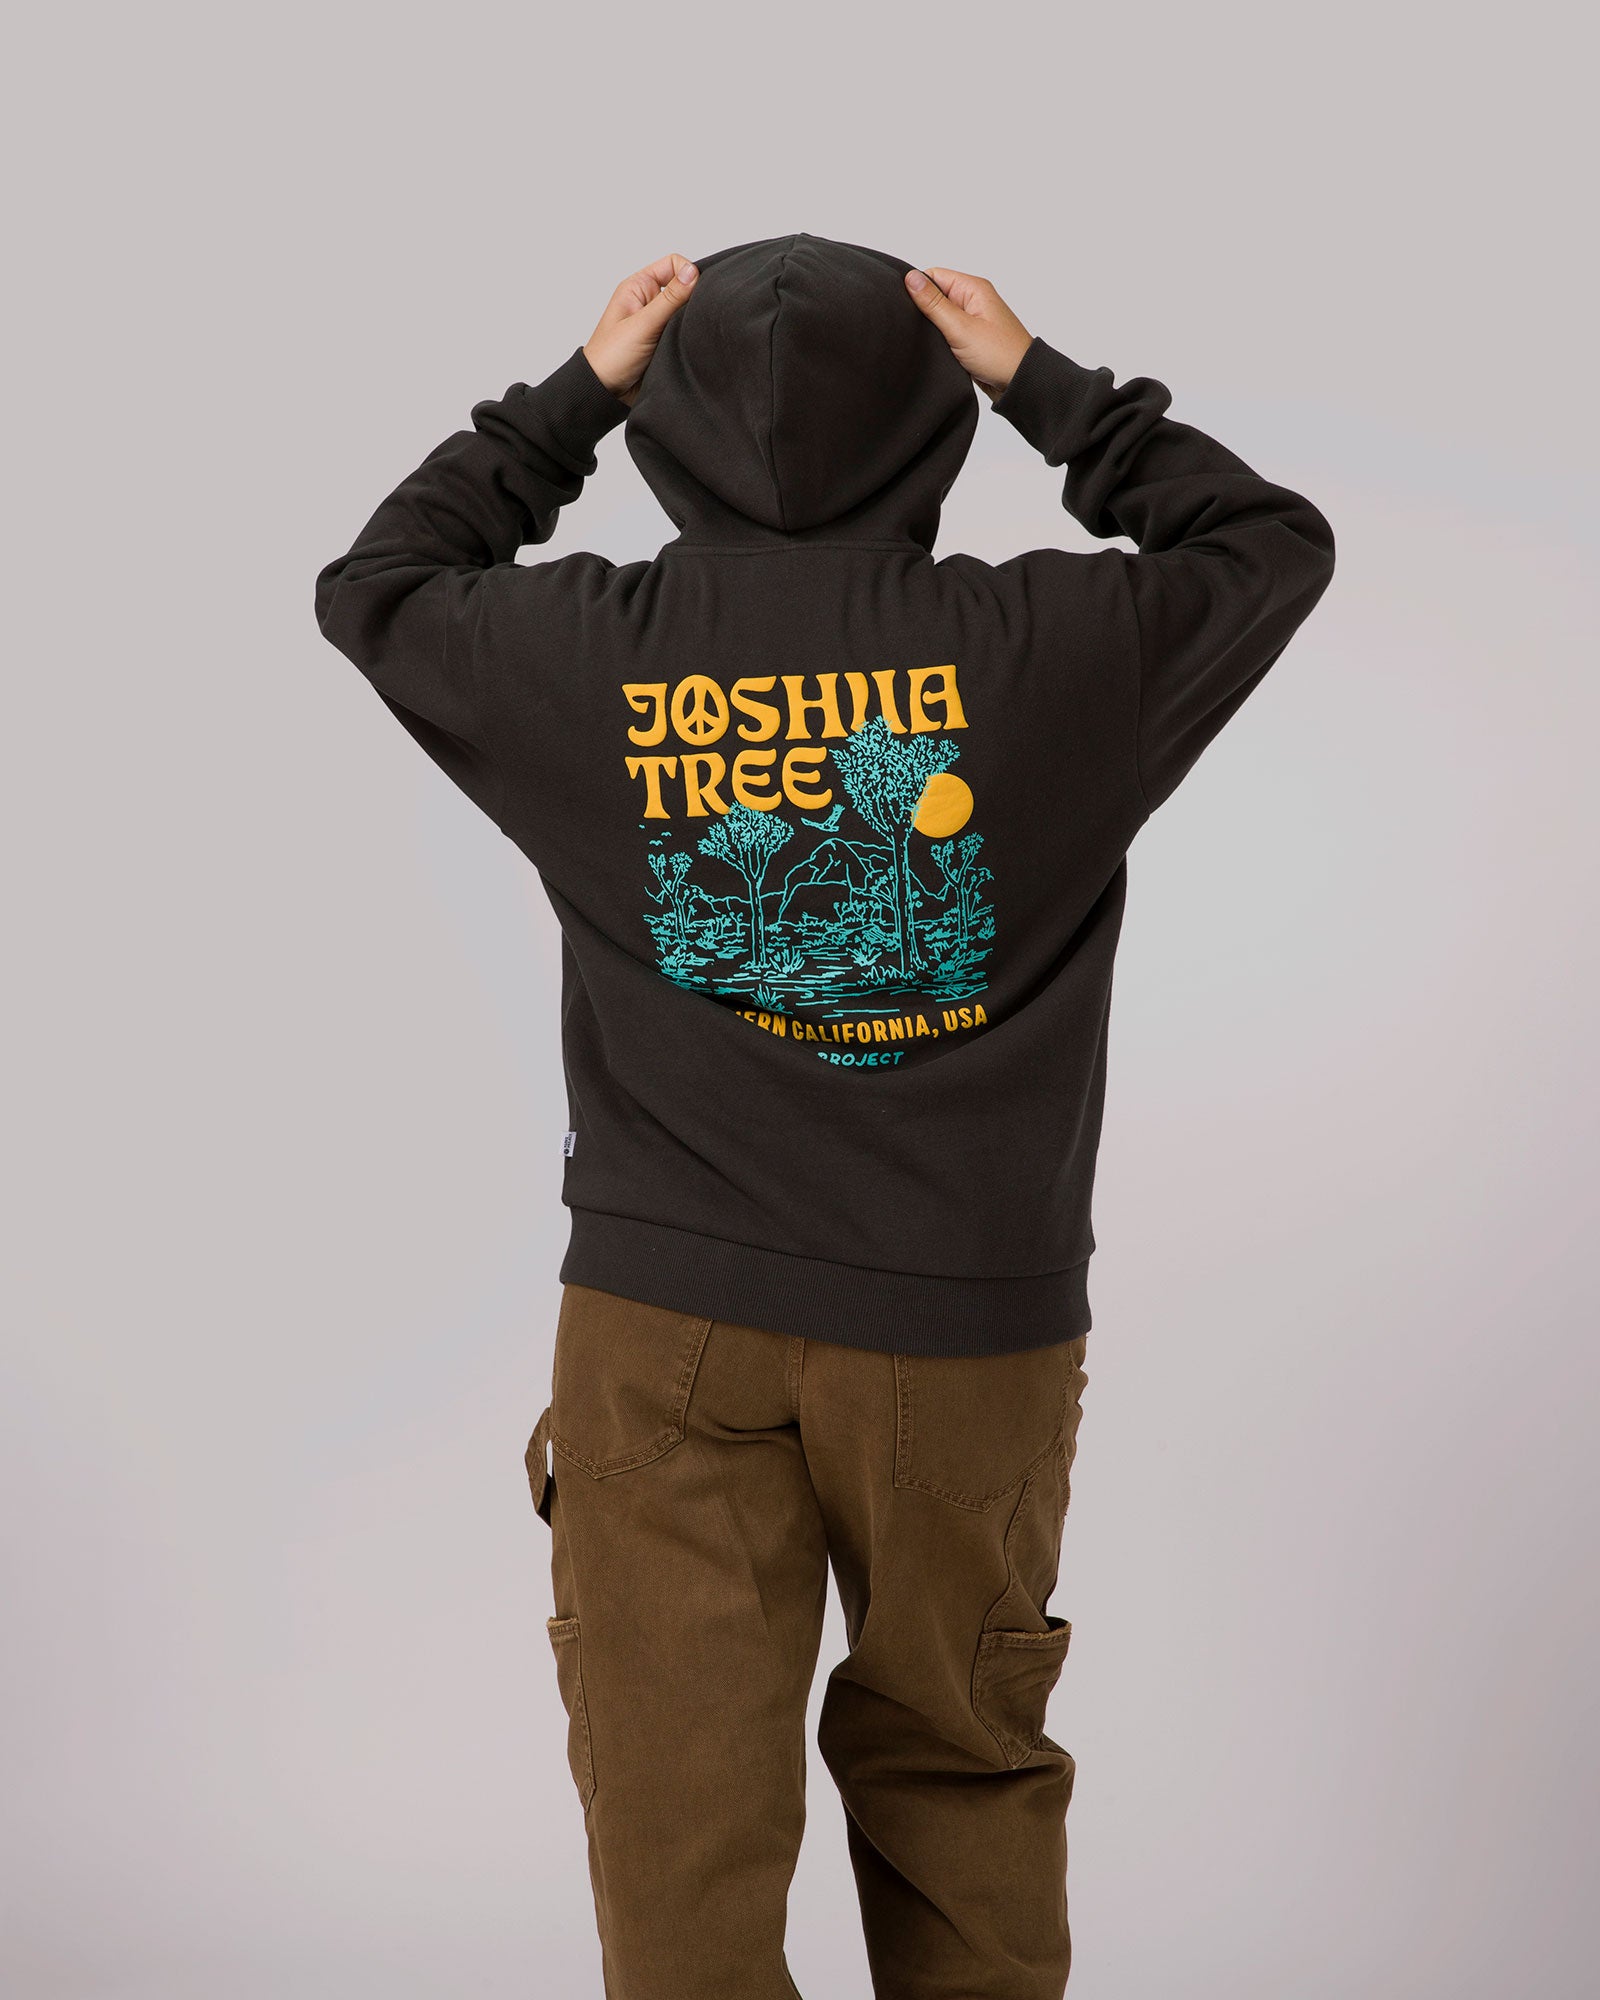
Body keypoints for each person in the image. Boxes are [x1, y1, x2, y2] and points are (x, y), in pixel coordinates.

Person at [314, 232, 1335, 1999]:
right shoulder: (1052, 645)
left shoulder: (582, 651)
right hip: (969, 1327)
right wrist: (1048, 390)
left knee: (678, 1827)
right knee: (962, 1772)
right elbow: (1268, 547)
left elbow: (380, 585)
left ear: (668, 437)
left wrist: (572, 400)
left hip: (665, 1319)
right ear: (933, 431)